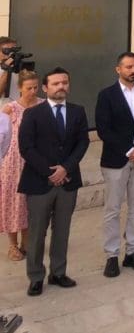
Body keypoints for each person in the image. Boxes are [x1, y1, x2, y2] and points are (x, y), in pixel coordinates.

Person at [18, 67, 89, 296]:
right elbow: (26, 147)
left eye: (65, 82)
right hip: (40, 182)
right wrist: (50, 172)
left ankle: (58, 272)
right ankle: (36, 276)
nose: (61, 87)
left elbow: (83, 142)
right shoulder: (32, 114)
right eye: (56, 83)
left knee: (62, 230)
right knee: (37, 232)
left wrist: (66, 168)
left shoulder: (78, 111)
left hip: (68, 181)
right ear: (46, 88)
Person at [95, 52, 134, 277]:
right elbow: (104, 129)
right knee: (112, 208)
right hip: (116, 159)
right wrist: (128, 150)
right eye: (128, 67)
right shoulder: (107, 95)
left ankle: (132, 252)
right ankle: (111, 255)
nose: (133, 70)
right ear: (118, 69)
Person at [1, 71, 41, 261]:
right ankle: (12, 244)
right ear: (19, 88)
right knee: (13, 202)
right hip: (13, 163)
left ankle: (28, 242)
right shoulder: (10, 109)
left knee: (30, 204)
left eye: (35, 87)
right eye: (28, 88)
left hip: (36, 161)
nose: (32, 91)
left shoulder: (43, 106)